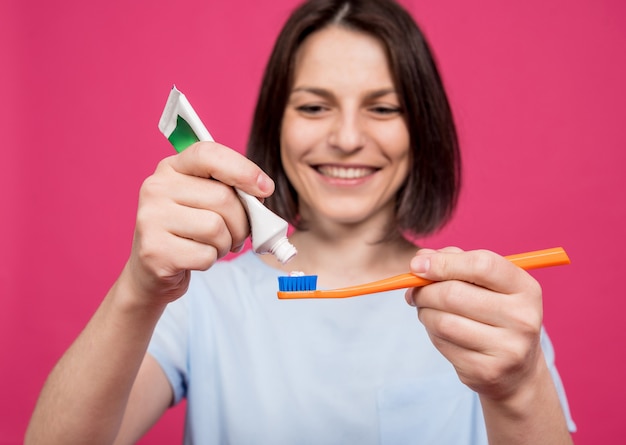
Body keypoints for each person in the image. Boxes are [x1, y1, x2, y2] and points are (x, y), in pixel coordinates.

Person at [26, 0, 576, 443]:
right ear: (278, 123)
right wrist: (138, 288)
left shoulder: (484, 316)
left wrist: (519, 387)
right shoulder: (198, 302)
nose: (345, 138)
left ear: (422, 130)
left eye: (383, 108)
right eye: (315, 107)